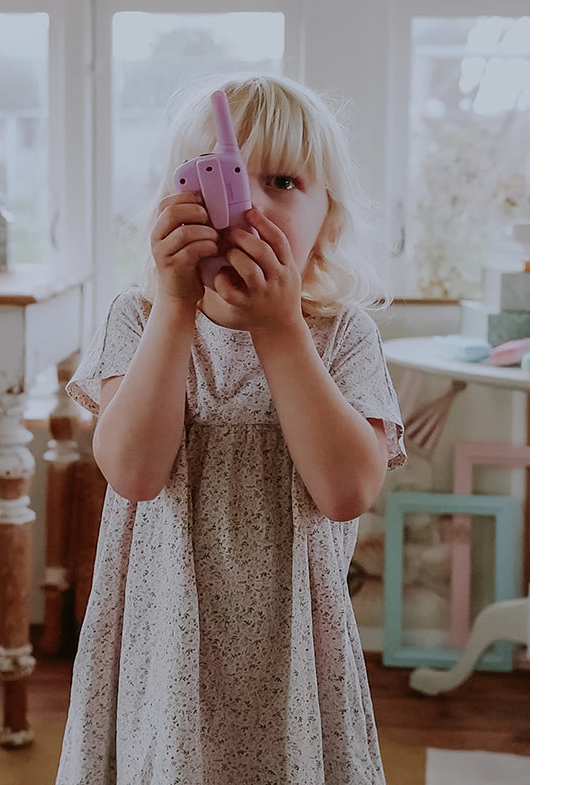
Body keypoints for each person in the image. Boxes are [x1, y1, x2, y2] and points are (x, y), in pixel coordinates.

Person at [55, 73, 406, 784]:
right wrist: (173, 309)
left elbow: (347, 492)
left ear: (328, 222)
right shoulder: (139, 320)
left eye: (282, 182)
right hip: (164, 650)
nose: (251, 206)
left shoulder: (342, 336)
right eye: (220, 180)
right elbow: (134, 474)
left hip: (295, 656)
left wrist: (280, 328)